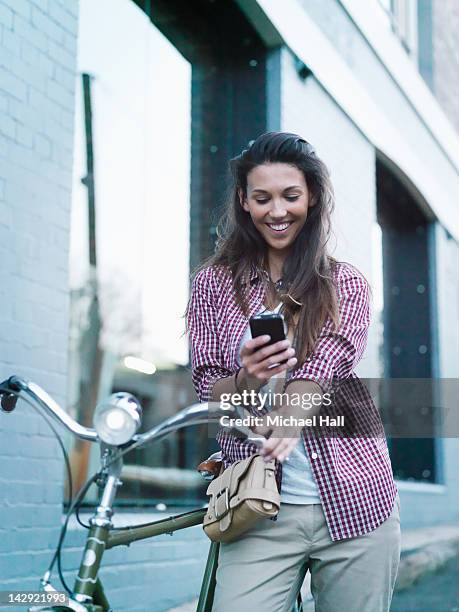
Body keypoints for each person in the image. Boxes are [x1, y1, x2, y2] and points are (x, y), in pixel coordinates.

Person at [185, 132, 400, 612]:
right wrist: (248, 380)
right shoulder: (212, 285)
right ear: (244, 201)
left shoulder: (343, 282)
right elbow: (208, 390)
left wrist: (290, 414)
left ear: (313, 197)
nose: (276, 211)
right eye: (262, 198)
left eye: (290, 196)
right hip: (257, 508)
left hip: (355, 502)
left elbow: (328, 360)